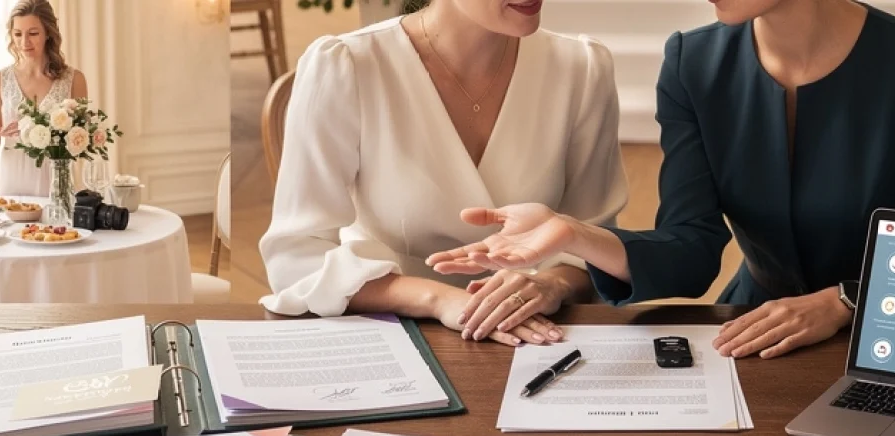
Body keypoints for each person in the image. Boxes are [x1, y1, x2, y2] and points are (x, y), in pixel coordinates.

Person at [428, 0, 895, 360]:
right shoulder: (692, 63)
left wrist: (847, 300)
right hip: (752, 333)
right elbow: (691, 249)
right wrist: (573, 235)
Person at [259, 0, 627, 347]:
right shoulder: (349, 65)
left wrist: (552, 284)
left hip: (539, 338)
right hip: (390, 334)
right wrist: (439, 299)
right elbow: (296, 257)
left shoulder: (582, 67)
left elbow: (595, 239)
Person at [0, 0, 87, 196]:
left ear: (48, 33)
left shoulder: (74, 79)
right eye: (18, 34)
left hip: (56, 181)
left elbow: (81, 141)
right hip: (11, 180)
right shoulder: (0, 79)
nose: (24, 42)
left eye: (33, 33)